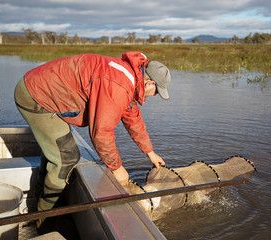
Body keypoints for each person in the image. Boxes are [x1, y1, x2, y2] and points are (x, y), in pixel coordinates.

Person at [14, 51, 171, 224]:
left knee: (55, 152)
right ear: (150, 83)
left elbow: (132, 117)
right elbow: (101, 133)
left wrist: (150, 152)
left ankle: (39, 203)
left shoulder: (130, 76)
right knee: (66, 157)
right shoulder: (118, 85)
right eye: (156, 92)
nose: (153, 97)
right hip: (36, 96)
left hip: (45, 92)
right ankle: (44, 221)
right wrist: (117, 168)